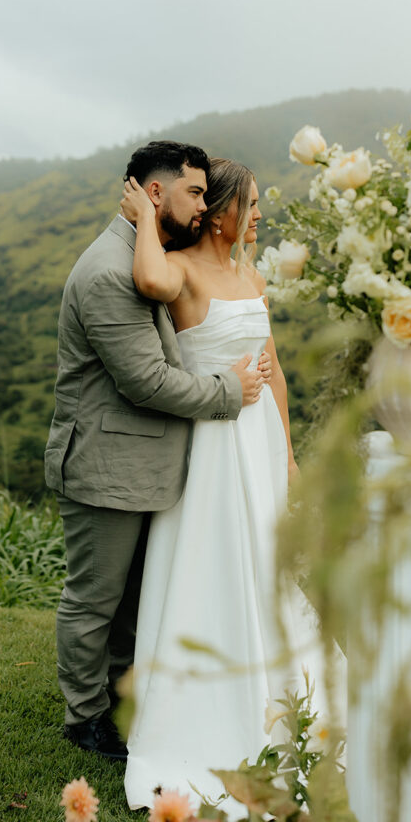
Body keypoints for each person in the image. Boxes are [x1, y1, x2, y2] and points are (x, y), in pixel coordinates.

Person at [45, 141, 269, 762]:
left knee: (137, 598)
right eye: (193, 193)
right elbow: (146, 380)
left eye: (205, 194)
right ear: (152, 193)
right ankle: (84, 718)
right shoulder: (108, 273)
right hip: (107, 465)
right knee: (95, 599)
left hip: (156, 467)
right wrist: (231, 388)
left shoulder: (147, 253)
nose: (201, 206)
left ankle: (123, 698)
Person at [120, 158, 313, 814]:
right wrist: (148, 215)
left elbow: (275, 373)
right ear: (222, 211)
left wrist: (287, 455)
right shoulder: (186, 273)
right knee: (216, 561)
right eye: (251, 204)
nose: (259, 215)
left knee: (266, 560)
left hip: (258, 441)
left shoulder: (250, 274)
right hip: (213, 444)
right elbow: (147, 274)